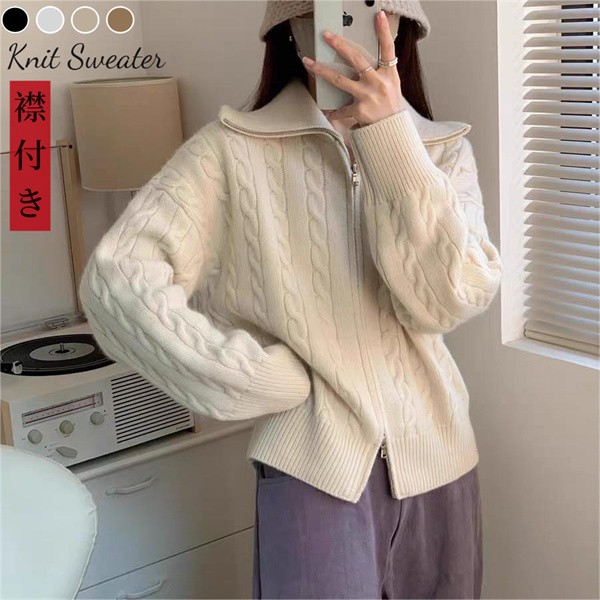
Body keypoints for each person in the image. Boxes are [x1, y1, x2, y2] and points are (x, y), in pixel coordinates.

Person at [79, 1, 503, 598]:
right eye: (328, 11)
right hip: (313, 472)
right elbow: (117, 278)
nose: (352, 30)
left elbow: (449, 301)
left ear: (404, 28)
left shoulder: (441, 151)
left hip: (442, 460)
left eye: (375, 11)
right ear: (290, 29)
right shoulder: (230, 151)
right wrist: (250, 377)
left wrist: (392, 141)